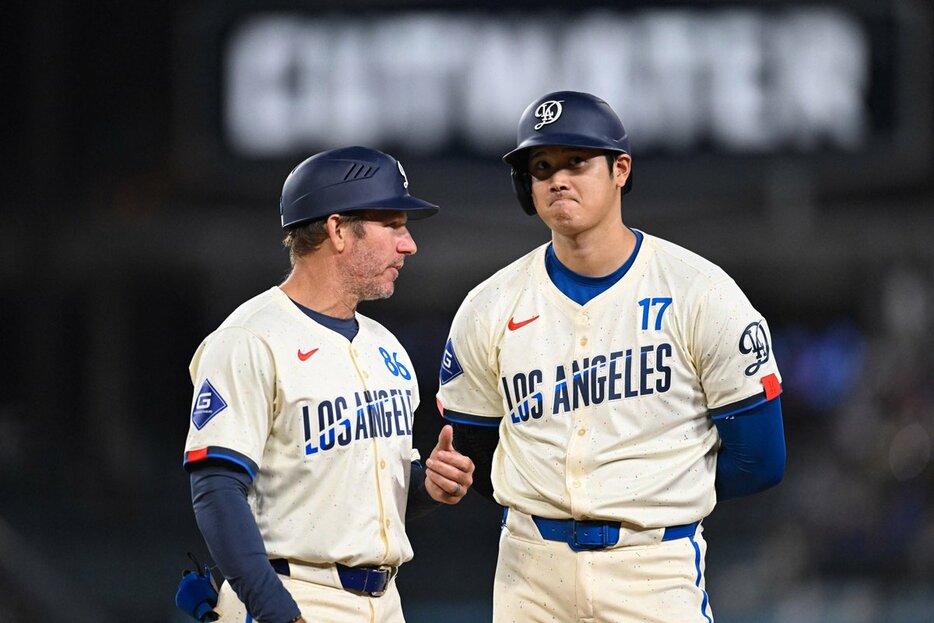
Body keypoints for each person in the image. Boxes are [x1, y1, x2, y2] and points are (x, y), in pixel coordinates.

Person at [436, 91, 786, 622]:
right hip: (530, 572)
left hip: (653, 567)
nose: (558, 179)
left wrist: (654, 494)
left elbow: (760, 459)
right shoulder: (489, 306)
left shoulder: (700, 291)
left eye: (577, 162)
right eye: (541, 166)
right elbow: (475, 454)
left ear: (620, 169)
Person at [182, 146, 475, 623]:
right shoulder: (249, 338)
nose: (409, 244)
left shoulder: (386, 347)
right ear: (338, 230)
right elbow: (216, 488)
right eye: (393, 225)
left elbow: (364, 497)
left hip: (385, 601)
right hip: (292, 593)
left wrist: (428, 485)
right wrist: (275, 611)